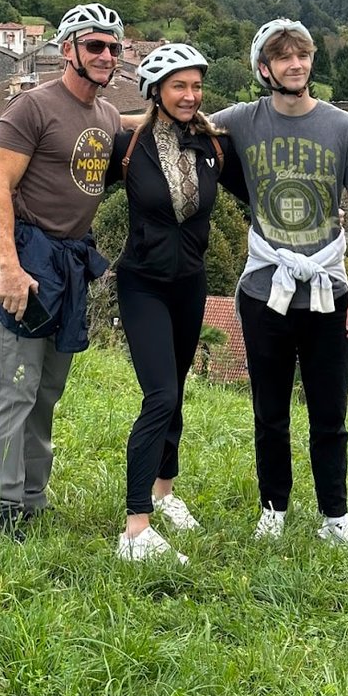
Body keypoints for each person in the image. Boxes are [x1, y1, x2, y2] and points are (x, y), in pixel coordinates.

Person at [211, 18, 348, 550]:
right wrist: (99, 120)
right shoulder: (241, 121)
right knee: (270, 412)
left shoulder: (344, 129)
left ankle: (335, 517)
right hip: (265, 291)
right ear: (264, 68)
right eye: (283, 56)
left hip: (329, 289)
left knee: (330, 414)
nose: (296, 64)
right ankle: (273, 510)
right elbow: (178, 122)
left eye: (302, 55)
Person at [0, 1, 125, 538]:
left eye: (113, 47)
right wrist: (9, 269)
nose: (106, 55)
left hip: (71, 264)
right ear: (68, 50)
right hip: (29, 258)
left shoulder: (107, 116)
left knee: (46, 391)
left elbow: (138, 128)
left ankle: (32, 499)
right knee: (15, 389)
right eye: (95, 45)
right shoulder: (32, 108)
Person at [108, 43, 244, 563]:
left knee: (177, 390)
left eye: (196, 86)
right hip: (141, 283)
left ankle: (165, 491)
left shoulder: (212, 145)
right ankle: (135, 529)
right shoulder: (129, 146)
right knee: (160, 395)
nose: (190, 95)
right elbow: (78, 190)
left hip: (190, 283)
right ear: (155, 92)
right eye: (179, 86)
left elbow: (257, 192)